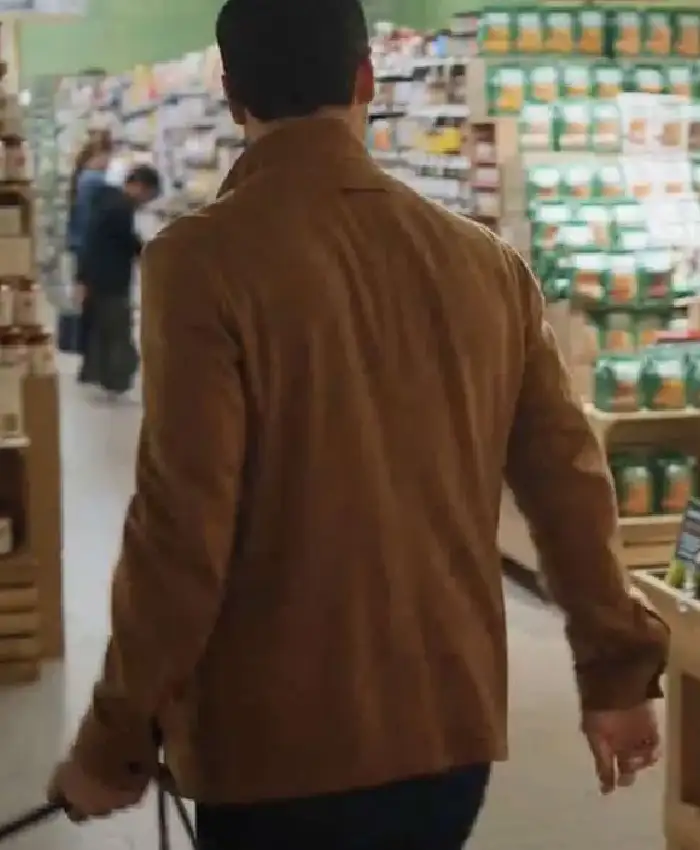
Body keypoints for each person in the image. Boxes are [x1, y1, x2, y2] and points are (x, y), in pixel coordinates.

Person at [48, 0, 669, 847]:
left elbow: (182, 530)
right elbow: (569, 485)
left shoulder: (200, 261)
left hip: (274, 743)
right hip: (448, 729)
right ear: (366, 79)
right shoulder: (485, 263)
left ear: (232, 96)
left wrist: (114, 738)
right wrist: (616, 674)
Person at [77, 164, 161, 396]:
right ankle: (116, 378)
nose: (145, 201)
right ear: (139, 186)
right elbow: (127, 241)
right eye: (148, 195)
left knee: (105, 328)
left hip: (100, 278)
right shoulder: (120, 208)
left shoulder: (110, 202)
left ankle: (104, 376)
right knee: (117, 329)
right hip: (110, 279)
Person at [66, 134, 113, 382]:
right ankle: (94, 366)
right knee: (97, 311)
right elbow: (90, 224)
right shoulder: (95, 182)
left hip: (81, 250)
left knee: (88, 308)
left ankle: (88, 365)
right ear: (98, 156)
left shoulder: (82, 178)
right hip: (93, 253)